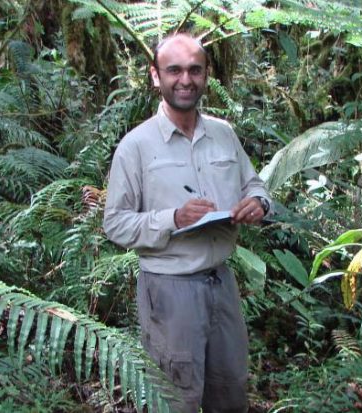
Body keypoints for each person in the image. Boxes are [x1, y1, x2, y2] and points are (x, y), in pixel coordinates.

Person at [103, 33, 272, 413]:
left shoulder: (223, 134)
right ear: (154, 76)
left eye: (195, 70)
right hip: (169, 291)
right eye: (174, 70)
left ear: (207, 75)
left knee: (230, 391)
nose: (185, 79)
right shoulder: (137, 146)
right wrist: (173, 219)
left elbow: (255, 184)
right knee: (175, 398)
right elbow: (115, 223)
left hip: (222, 283)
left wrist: (259, 203)